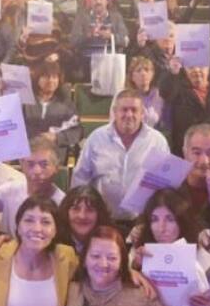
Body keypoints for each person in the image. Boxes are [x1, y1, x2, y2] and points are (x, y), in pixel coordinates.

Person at [71, 89, 171, 223]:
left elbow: (165, 184)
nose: (129, 114)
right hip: (103, 219)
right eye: (124, 110)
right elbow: (80, 178)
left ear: (142, 113)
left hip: (143, 221)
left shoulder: (157, 141)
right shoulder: (96, 138)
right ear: (115, 112)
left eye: (134, 110)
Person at [0, 137, 66, 236]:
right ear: (22, 165)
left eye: (44, 165)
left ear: (56, 167)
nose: (37, 171)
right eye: (30, 164)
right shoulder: (9, 190)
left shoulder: (63, 203)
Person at [22, 57, 81, 163]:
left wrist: (56, 137)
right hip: (28, 154)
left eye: (54, 77)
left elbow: (77, 131)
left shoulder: (66, 103)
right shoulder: (25, 101)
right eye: (46, 76)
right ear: (37, 78)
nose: (51, 80)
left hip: (54, 157)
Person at [58, 185, 113, 254]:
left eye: (90, 210)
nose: (82, 216)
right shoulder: (55, 243)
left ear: (99, 213)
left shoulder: (111, 242)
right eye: (76, 209)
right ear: (66, 212)